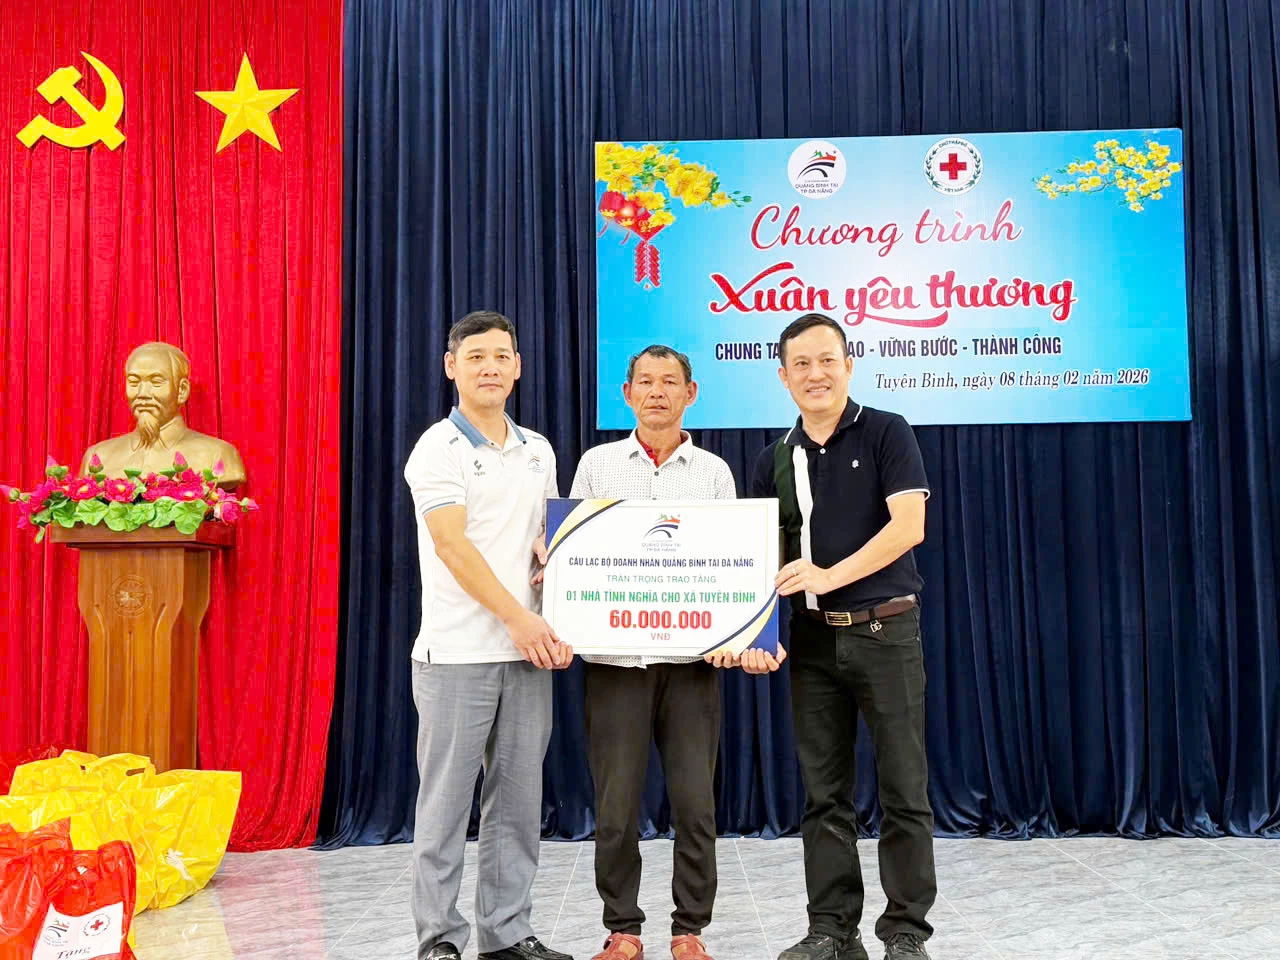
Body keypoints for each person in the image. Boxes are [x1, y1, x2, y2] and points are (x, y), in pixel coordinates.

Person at [745, 313, 936, 960]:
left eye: (827, 360)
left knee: (904, 787)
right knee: (824, 795)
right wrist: (758, 634)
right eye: (801, 364)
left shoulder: (887, 431)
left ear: (849, 365)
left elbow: (908, 527)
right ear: (783, 376)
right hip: (812, 642)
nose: (816, 374)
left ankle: (905, 932)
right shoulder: (773, 458)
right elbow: (759, 557)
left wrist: (829, 575)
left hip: (886, 631)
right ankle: (832, 929)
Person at [403, 310, 575, 960]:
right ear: (452, 366)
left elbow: (544, 539)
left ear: (518, 367)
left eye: (502, 356)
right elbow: (452, 545)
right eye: (476, 356)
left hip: (526, 653)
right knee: (445, 808)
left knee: (517, 807)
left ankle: (506, 934)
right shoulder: (437, 448)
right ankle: (440, 940)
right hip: (456, 655)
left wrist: (555, 571)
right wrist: (517, 617)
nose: (490, 367)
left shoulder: (538, 450)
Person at [568, 345, 736, 960]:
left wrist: (736, 634)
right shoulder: (596, 465)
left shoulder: (713, 473)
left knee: (695, 803)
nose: (657, 391)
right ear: (627, 393)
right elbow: (573, 553)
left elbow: (731, 563)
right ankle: (624, 929)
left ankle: (690, 929)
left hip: (692, 667)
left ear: (691, 393)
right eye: (646, 381)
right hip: (615, 665)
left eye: (670, 382)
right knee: (615, 807)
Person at [81, 341, 246, 484]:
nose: (142, 393)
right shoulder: (98, 457)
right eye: (134, 382)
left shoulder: (217, 456)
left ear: (181, 390)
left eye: (156, 382)